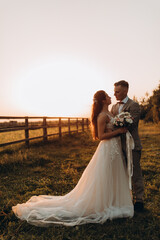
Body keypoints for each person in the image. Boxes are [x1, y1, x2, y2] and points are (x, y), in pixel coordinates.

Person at [12, 90, 134, 227]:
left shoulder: (110, 113)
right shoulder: (101, 116)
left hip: (115, 147)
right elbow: (100, 136)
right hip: (108, 148)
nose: (110, 97)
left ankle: (114, 200)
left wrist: (120, 126)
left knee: (114, 174)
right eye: (107, 96)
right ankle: (103, 202)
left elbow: (109, 129)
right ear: (103, 101)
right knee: (105, 175)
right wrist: (118, 131)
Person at [111, 80, 144, 212]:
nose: (114, 94)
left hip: (132, 145)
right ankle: (124, 198)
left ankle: (139, 200)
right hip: (117, 145)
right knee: (121, 172)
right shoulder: (113, 107)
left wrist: (117, 124)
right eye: (114, 91)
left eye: (117, 91)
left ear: (125, 91)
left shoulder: (134, 105)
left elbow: (131, 123)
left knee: (135, 173)